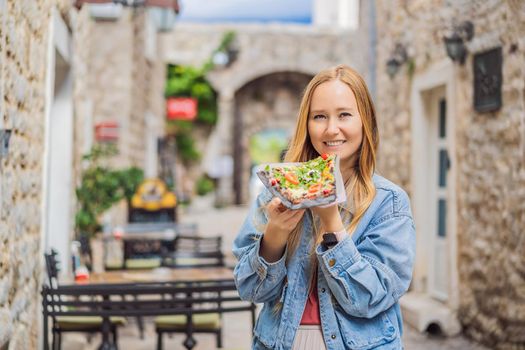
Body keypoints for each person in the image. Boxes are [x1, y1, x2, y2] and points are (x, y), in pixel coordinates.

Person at [233, 64, 416, 350]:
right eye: (319, 116)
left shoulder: (388, 202)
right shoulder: (277, 192)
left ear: (365, 121)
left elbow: (370, 299)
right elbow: (249, 289)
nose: (332, 129)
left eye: (344, 115)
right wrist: (275, 234)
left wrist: (332, 224)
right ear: (306, 124)